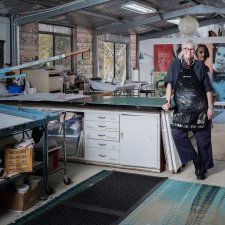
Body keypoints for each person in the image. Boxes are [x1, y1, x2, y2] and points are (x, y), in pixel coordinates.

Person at [162, 40, 214, 180]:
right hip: (183, 110)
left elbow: (208, 89)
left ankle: (201, 169)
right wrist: (167, 102)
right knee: (177, 134)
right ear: (182, 51)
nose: (188, 51)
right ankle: (196, 160)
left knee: (203, 141)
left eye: (191, 50)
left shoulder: (200, 66)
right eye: (186, 49)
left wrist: (210, 107)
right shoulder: (175, 65)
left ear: (194, 52)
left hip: (201, 110)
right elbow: (169, 85)